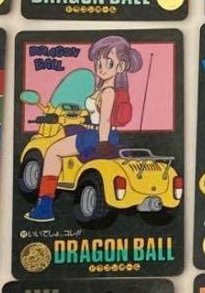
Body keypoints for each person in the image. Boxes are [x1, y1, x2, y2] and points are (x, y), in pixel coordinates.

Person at [26, 36, 142, 224]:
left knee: (53, 151)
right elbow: (99, 115)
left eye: (108, 63)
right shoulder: (106, 88)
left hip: (97, 136)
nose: (101, 67)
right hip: (106, 134)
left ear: (120, 67)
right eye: (98, 62)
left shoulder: (108, 91)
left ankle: (44, 207)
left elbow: (105, 119)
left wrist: (102, 143)